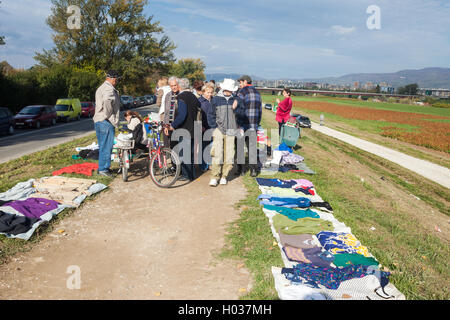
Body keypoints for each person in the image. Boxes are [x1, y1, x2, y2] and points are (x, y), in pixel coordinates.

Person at [167, 78, 202, 181]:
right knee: (190, 153)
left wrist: (173, 125)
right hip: (194, 127)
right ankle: (192, 175)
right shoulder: (194, 96)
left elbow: (182, 115)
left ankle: (187, 175)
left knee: (184, 153)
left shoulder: (181, 97)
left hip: (185, 128)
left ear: (180, 86)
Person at [208, 79, 242, 187]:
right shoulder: (216, 99)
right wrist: (214, 127)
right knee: (217, 154)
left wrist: (236, 108)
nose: (228, 92)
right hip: (219, 129)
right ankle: (214, 177)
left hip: (231, 130)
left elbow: (241, 115)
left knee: (229, 155)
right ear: (223, 89)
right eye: (226, 89)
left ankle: (224, 176)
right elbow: (210, 114)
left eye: (230, 90)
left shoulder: (236, 100)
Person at [93, 70, 121, 177]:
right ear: (113, 78)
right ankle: (104, 170)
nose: (117, 81)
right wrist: (110, 116)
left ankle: (102, 168)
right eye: (117, 79)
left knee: (102, 146)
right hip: (106, 121)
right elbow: (107, 101)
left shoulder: (101, 87)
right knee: (107, 146)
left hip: (99, 121)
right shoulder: (109, 89)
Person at [236, 75, 262, 177]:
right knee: (252, 148)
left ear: (245, 81)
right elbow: (260, 111)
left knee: (239, 148)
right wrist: (257, 123)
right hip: (253, 125)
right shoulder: (257, 93)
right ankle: (253, 170)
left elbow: (238, 109)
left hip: (242, 125)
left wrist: (237, 123)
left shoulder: (242, 92)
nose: (240, 84)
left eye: (241, 82)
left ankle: (241, 170)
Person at [198, 83, 216, 171]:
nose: (210, 94)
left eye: (211, 92)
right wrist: (200, 126)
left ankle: (210, 163)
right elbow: (197, 116)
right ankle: (203, 166)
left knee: (212, 147)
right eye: (208, 92)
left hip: (213, 127)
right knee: (204, 147)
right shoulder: (199, 101)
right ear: (203, 92)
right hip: (204, 127)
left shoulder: (213, 101)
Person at [163, 76, 181, 148]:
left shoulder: (182, 95)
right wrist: (165, 126)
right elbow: (166, 113)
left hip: (179, 125)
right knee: (171, 146)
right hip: (169, 126)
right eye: (171, 86)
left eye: (175, 85)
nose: (173, 87)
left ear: (178, 85)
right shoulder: (168, 95)